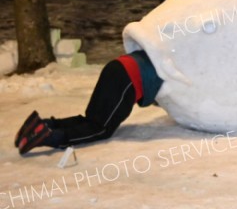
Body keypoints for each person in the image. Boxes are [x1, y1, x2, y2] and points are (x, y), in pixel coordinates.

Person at [14, 50, 162, 155]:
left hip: (116, 66)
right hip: (129, 77)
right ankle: (49, 137)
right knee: (100, 128)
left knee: (91, 119)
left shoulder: (162, 49)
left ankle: (43, 125)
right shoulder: (177, 65)